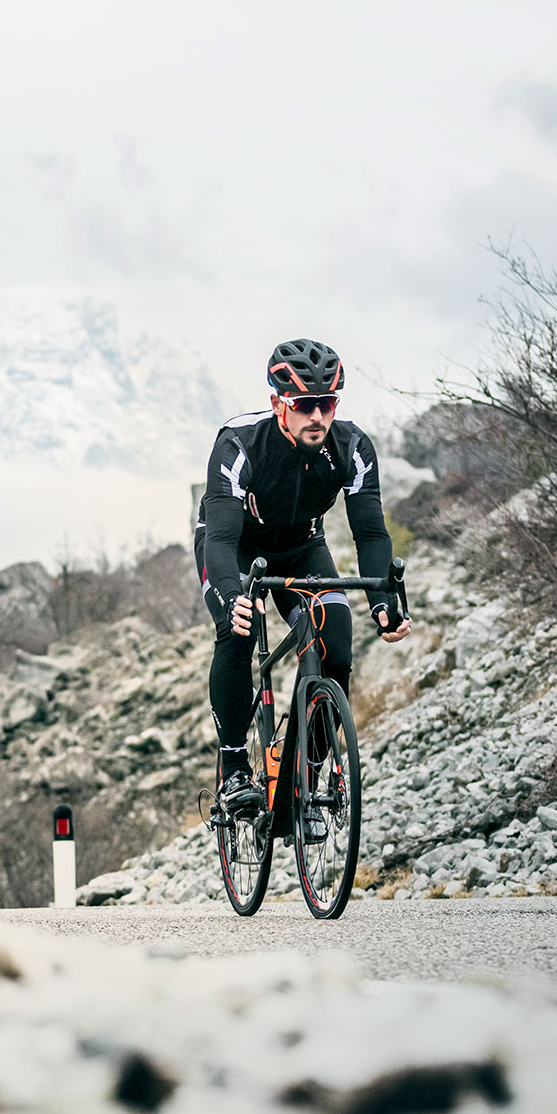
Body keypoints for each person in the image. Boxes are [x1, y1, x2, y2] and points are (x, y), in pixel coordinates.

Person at [192, 338, 411, 817]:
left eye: (327, 404)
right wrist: (233, 598)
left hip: (300, 547)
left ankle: (306, 776)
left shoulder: (352, 448)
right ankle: (233, 769)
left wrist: (383, 601)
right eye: (305, 405)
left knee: (336, 633)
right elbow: (222, 543)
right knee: (238, 630)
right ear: (277, 404)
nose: (318, 416)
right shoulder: (239, 444)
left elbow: (371, 533)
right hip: (234, 546)